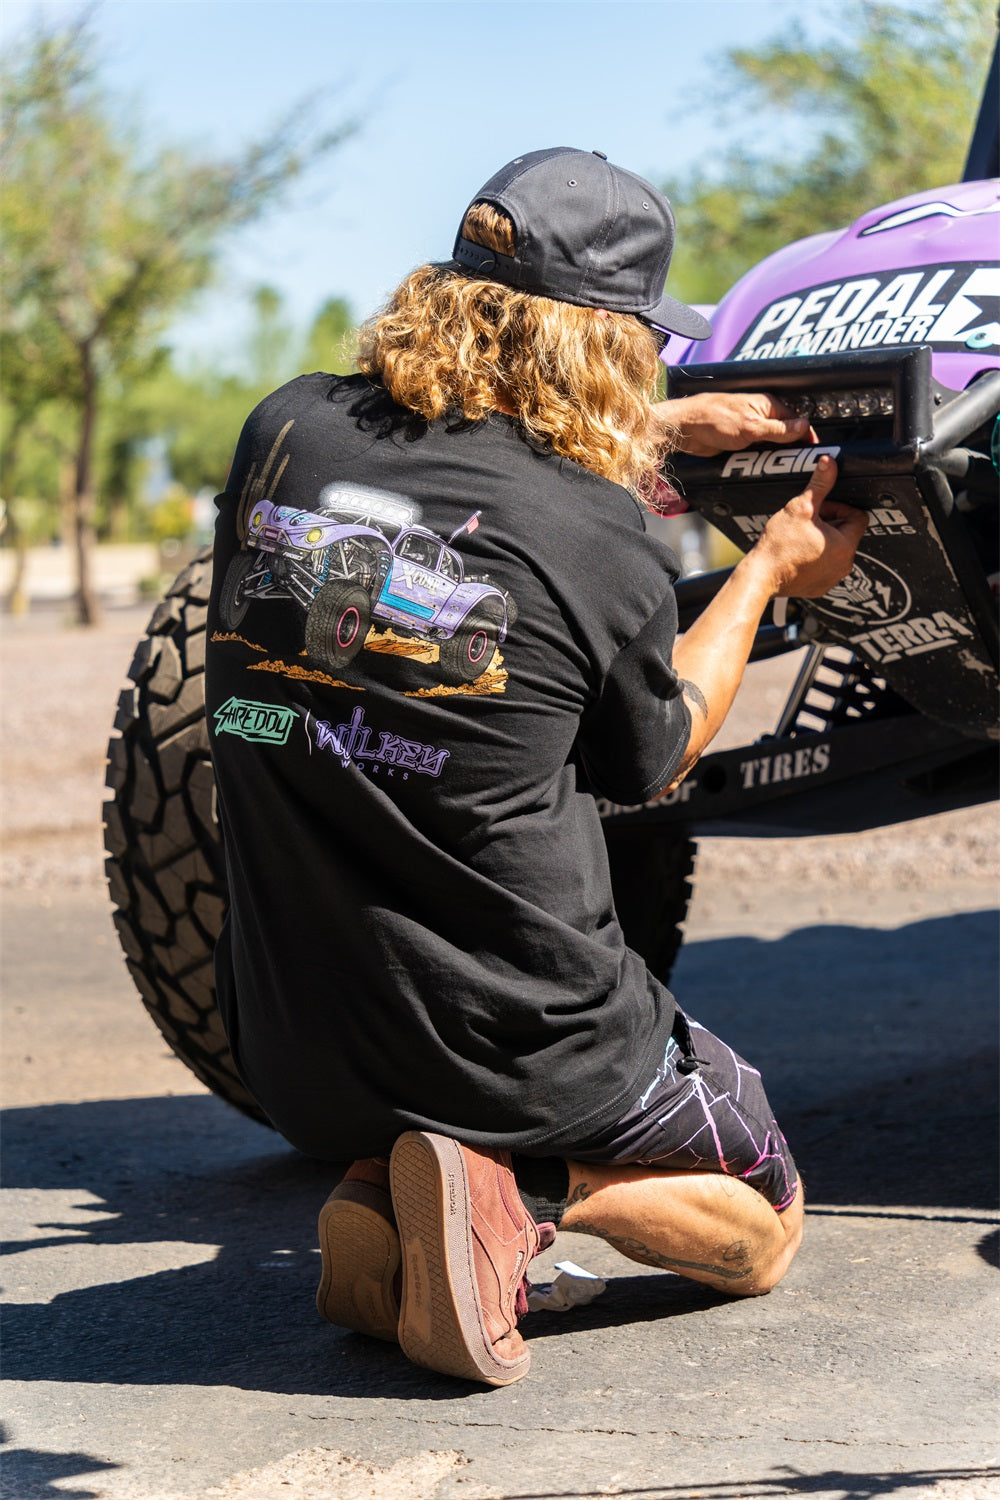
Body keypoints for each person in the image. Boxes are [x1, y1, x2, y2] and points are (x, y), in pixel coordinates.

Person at [205, 147, 868, 1387]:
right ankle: (529, 1190)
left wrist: (657, 431)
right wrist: (772, 570)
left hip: (297, 1049)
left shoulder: (281, 432)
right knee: (767, 1225)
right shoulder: (602, 533)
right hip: (529, 1050)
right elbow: (655, 755)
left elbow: (468, 472)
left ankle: (382, 1184)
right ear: (605, 340)